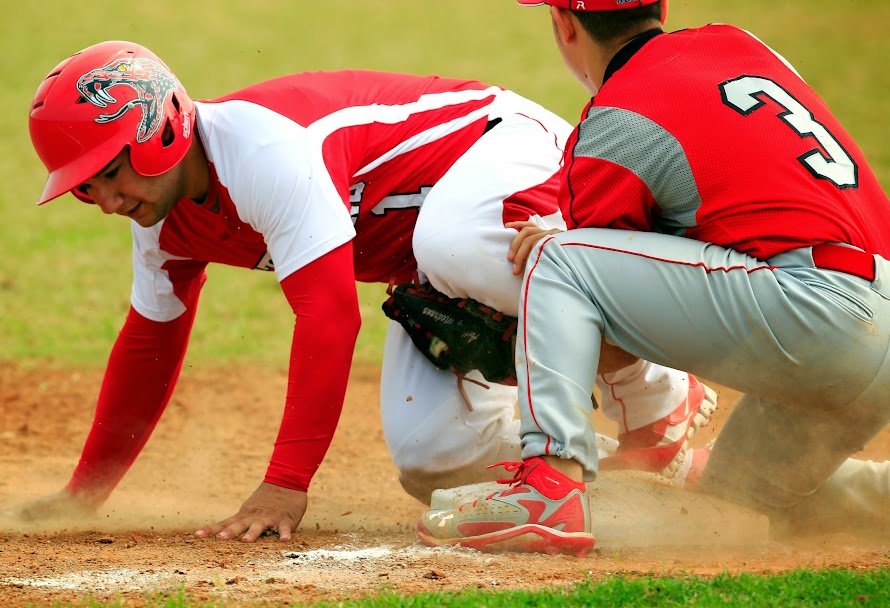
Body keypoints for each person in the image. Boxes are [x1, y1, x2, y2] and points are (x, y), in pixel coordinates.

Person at [22, 39, 716, 543]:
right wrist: (87, 493)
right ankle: (589, 468)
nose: (105, 199)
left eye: (110, 172)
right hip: (435, 254)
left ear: (161, 128)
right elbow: (150, 342)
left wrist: (285, 483)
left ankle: (655, 392)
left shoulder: (262, 151)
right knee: (431, 459)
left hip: (500, 153)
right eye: (85, 186)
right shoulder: (161, 221)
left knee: (449, 242)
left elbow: (327, 316)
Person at [417, 0, 890, 557]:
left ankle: (548, 487)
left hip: (814, 313)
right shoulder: (741, 44)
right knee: (739, 510)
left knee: (558, 258)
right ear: (661, 7)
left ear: (564, 25)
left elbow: (605, 326)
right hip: (869, 315)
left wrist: (530, 335)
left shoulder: (617, 116)